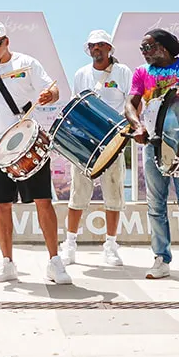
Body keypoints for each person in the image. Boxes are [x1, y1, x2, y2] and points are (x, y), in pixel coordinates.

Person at [0, 20, 70, 285]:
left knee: (43, 201)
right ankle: (7, 263)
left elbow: (53, 89)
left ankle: (55, 262)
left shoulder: (27, 64)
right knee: (1, 205)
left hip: (29, 139)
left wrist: (50, 95)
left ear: (7, 41)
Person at [126, 28, 179, 282]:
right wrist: (137, 126)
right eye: (142, 48)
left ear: (163, 47)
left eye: (148, 47)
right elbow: (130, 103)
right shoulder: (142, 72)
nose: (144, 52)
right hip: (153, 142)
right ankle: (161, 258)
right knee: (155, 204)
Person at [65, 29, 131, 266]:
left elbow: (131, 103)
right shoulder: (81, 73)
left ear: (109, 48)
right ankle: (70, 244)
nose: (97, 49)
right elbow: (76, 104)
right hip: (86, 141)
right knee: (77, 194)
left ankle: (111, 246)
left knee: (113, 196)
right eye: (93, 45)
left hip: (114, 140)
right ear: (89, 49)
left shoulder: (123, 72)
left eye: (102, 45)